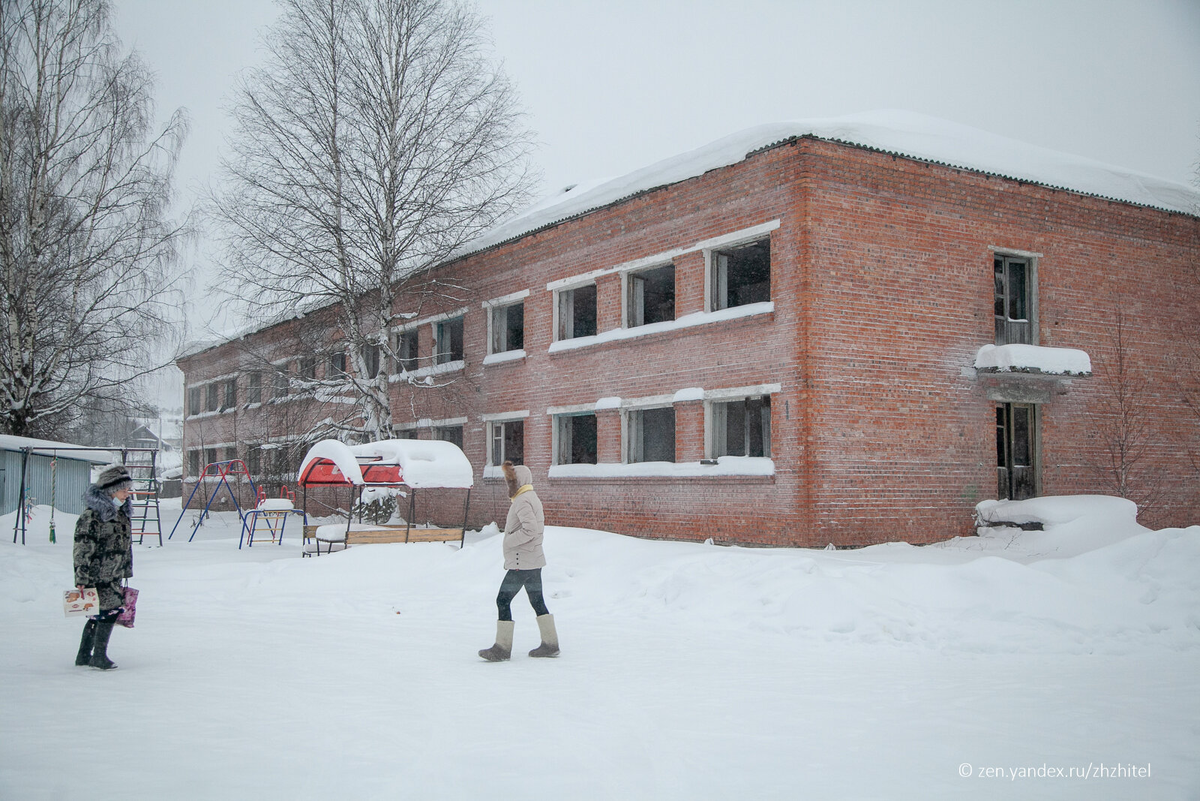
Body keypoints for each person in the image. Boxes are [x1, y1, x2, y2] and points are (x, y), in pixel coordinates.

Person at [478, 462, 560, 661]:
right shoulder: (530, 497)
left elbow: (530, 529)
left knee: (502, 600)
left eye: (510, 481)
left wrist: (509, 541)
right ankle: (550, 644)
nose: (508, 485)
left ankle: (502, 648)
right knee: (537, 601)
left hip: (521, 562)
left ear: (518, 481)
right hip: (533, 560)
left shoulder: (522, 500)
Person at [73, 465, 135, 670]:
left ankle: (84, 655)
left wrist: (126, 569)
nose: (127, 494)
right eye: (123, 489)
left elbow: (123, 546)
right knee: (108, 612)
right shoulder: (93, 516)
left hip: (114, 573)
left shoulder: (121, 514)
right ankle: (98, 656)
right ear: (110, 491)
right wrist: (81, 578)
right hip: (97, 575)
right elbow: (82, 548)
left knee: (99, 613)